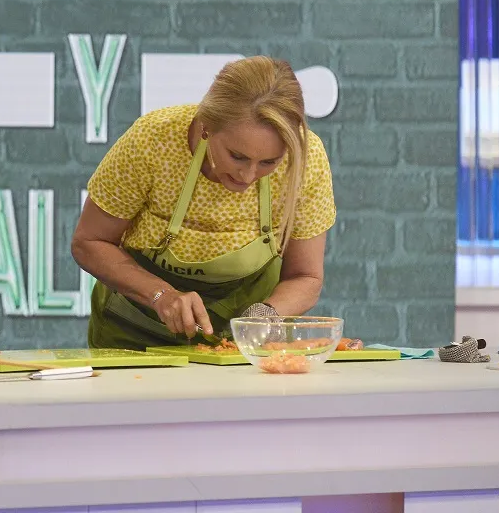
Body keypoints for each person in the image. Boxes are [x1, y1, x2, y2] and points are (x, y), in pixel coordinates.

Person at [71, 56, 336, 350]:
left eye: (268, 162)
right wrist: (160, 295)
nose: (248, 176)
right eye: (237, 156)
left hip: (243, 345)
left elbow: (306, 276)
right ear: (207, 125)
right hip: (134, 332)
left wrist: (265, 318)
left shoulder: (305, 160)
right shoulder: (153, 140)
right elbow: (88, 243)